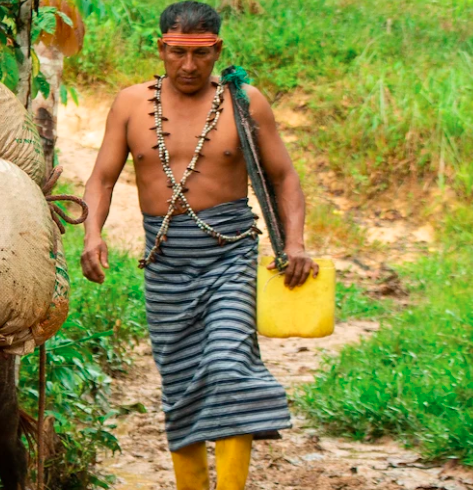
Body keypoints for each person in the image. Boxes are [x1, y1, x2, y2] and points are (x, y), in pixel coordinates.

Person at [80, 2, 318, 489]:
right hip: (166, 264)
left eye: (202, 54)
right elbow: (102, 179)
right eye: (178, 53)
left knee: (229, 368)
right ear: (161, 48)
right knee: (183, 386)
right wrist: (91, 234)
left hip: (230, 257)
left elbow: (284, 176)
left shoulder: (245, 101)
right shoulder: (130, 104)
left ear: (218, 51)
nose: (189, 66)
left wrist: (294, 243)